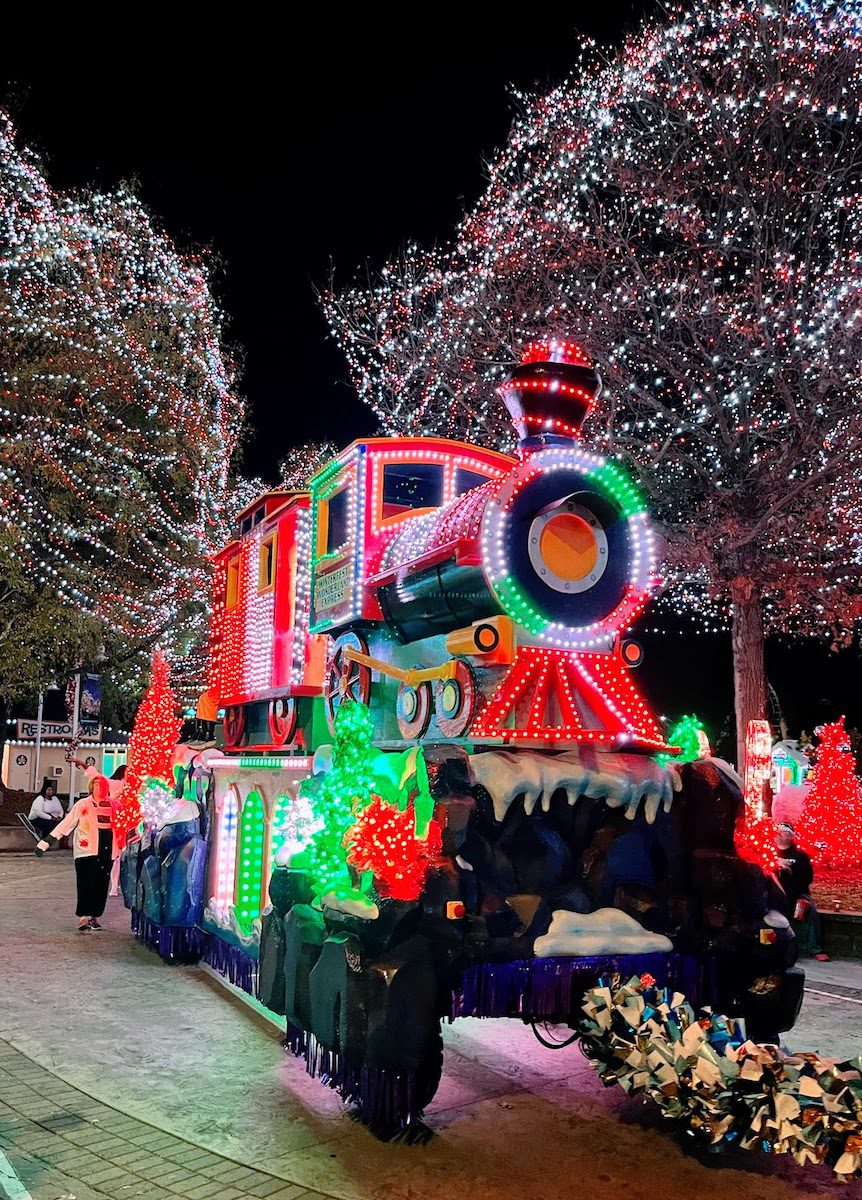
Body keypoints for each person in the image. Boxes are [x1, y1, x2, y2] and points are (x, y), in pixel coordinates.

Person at [34, 772, 119, 932]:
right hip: (86, 851)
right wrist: (45, 843)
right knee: (85, 884)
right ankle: (83, 916)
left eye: (103, 785)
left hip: (107, 852)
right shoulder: (83, 805)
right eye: (97, 784)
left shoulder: (115, 806)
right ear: (91, 787)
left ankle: (95, 916)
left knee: (101, 885)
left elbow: (125, 824)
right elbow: (67, 824)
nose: (100, 787)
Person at [773, 820, 830, 962]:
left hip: (797, 895)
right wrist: (775, 864)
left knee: (809, 912)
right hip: (774, 894)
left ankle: (814, 948)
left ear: (791, 836)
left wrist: (791, 870)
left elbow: (807, 879)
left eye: (785, 832)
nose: (781, 834)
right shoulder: (768, 852)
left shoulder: (800, 856)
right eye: (779, 831)